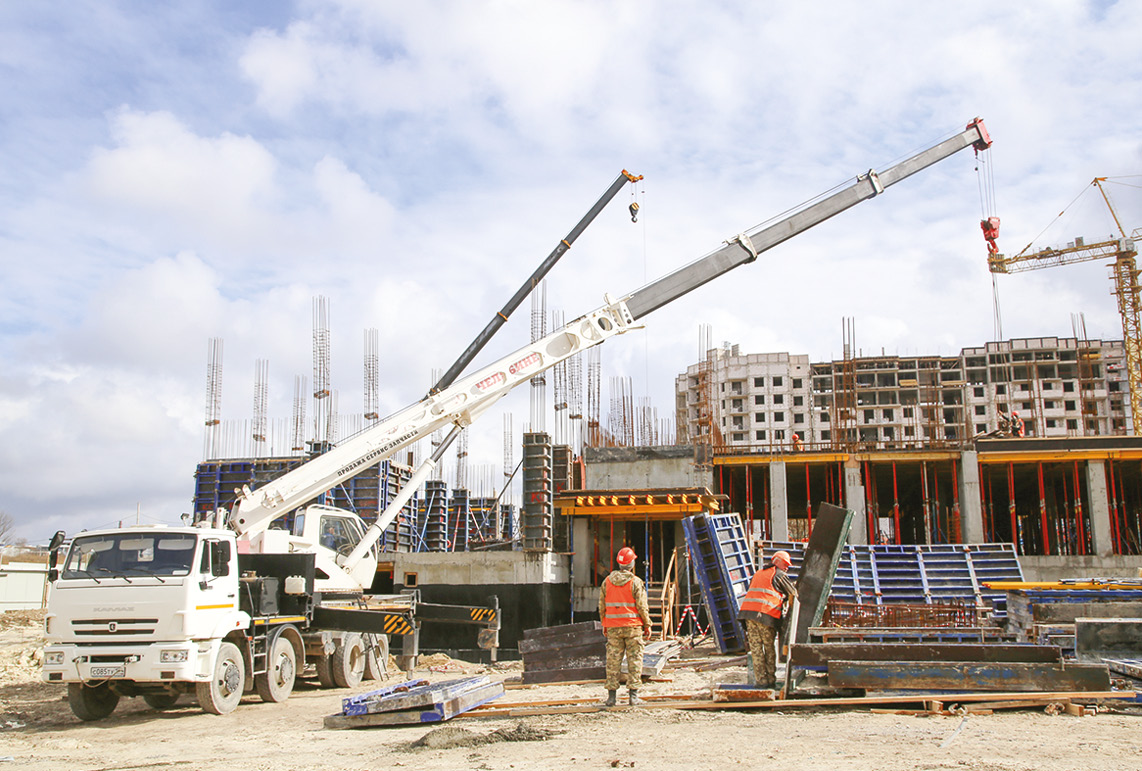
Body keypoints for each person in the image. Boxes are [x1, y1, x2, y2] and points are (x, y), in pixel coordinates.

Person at [598, 546, 652, 707]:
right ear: (632, 563)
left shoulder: (606, 582)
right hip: (633, 627)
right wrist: (647, 624)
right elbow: (642, 606)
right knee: (635, 660)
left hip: (613, 627)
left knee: (613, 661)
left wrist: (604, 623)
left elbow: (601, 606)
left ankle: (611, 697)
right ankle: (633, 696)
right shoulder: (635, 582)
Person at [738, 549, 798, 689]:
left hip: (748, 615)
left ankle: (761, 682)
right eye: (785, 564)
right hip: (765, 617)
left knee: (756, 649)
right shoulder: (779, 574)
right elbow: (793, 594)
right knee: (769, 648)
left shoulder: (758, 573)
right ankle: (771, 680)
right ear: (776, 562)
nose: (787, 567)